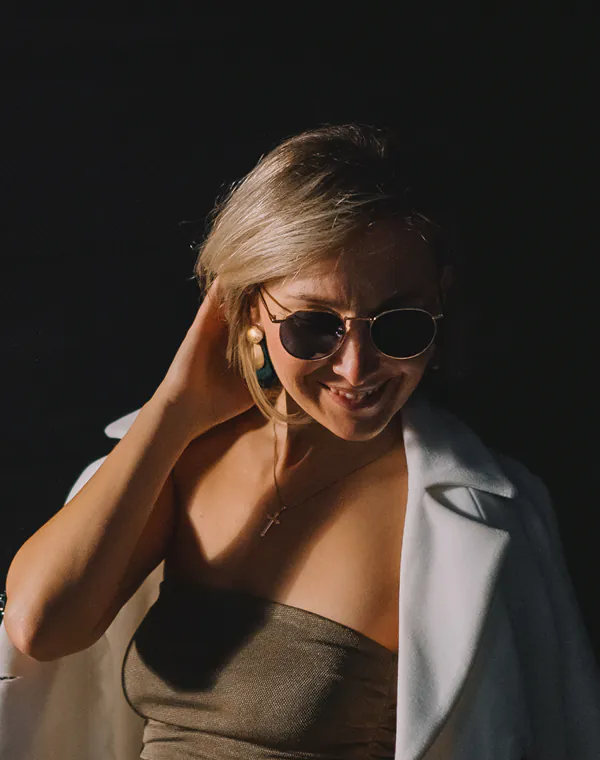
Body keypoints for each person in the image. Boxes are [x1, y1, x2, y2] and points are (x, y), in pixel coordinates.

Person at [2, 124, 600, 760]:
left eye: (399, 325)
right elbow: (40, 627)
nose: (357, 368)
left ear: (441, 301)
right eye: (314, 326)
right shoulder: (180, 461)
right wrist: (174, 410)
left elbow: (551, 737)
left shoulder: (485, 516)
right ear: (244, 310)